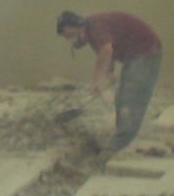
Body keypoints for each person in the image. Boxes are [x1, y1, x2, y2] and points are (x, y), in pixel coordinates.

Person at [55, 10, 163, 152]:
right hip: (135, 56)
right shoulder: (93, 34)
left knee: (130, 97)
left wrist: (96, 81)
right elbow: (107, 55)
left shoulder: (95, 28)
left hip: (146, 52)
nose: (71, 41)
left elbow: (106, 50)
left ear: (77, 26)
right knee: (121, 99)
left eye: (70, 36)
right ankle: (121, 138)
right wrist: (109, 75)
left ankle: (119, 144)